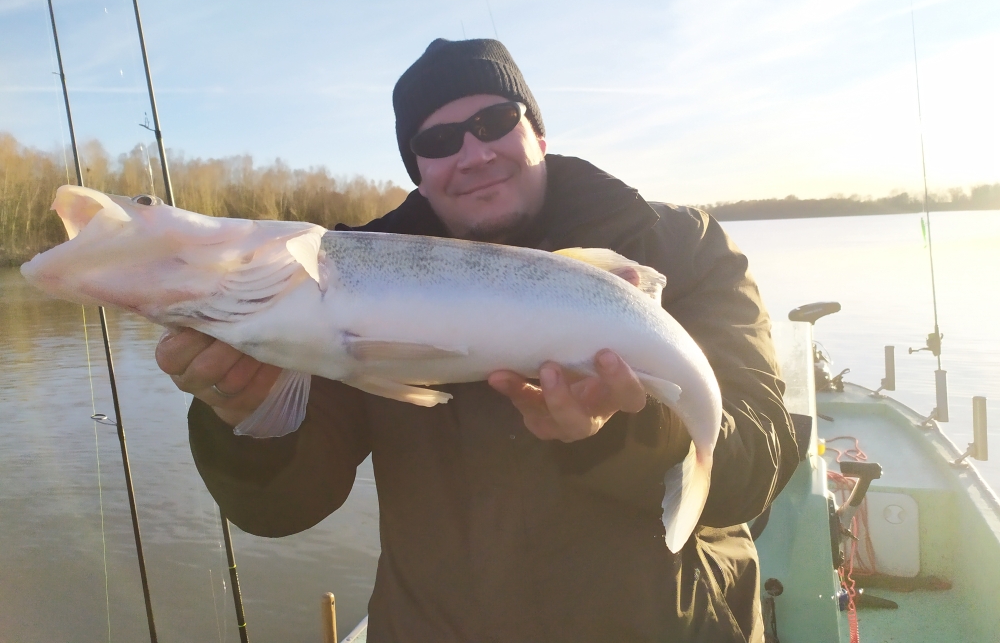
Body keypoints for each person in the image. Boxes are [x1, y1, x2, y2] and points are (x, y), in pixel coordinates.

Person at [157, 39, 799, 642]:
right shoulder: (344, 289)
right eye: (437, 141)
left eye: (494, 122)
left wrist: (627, 430)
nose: (473, 153)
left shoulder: (682, 246)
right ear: (419, 171)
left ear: (538, 133)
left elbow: (756, 468)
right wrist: (243, 417)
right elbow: (283, 510)